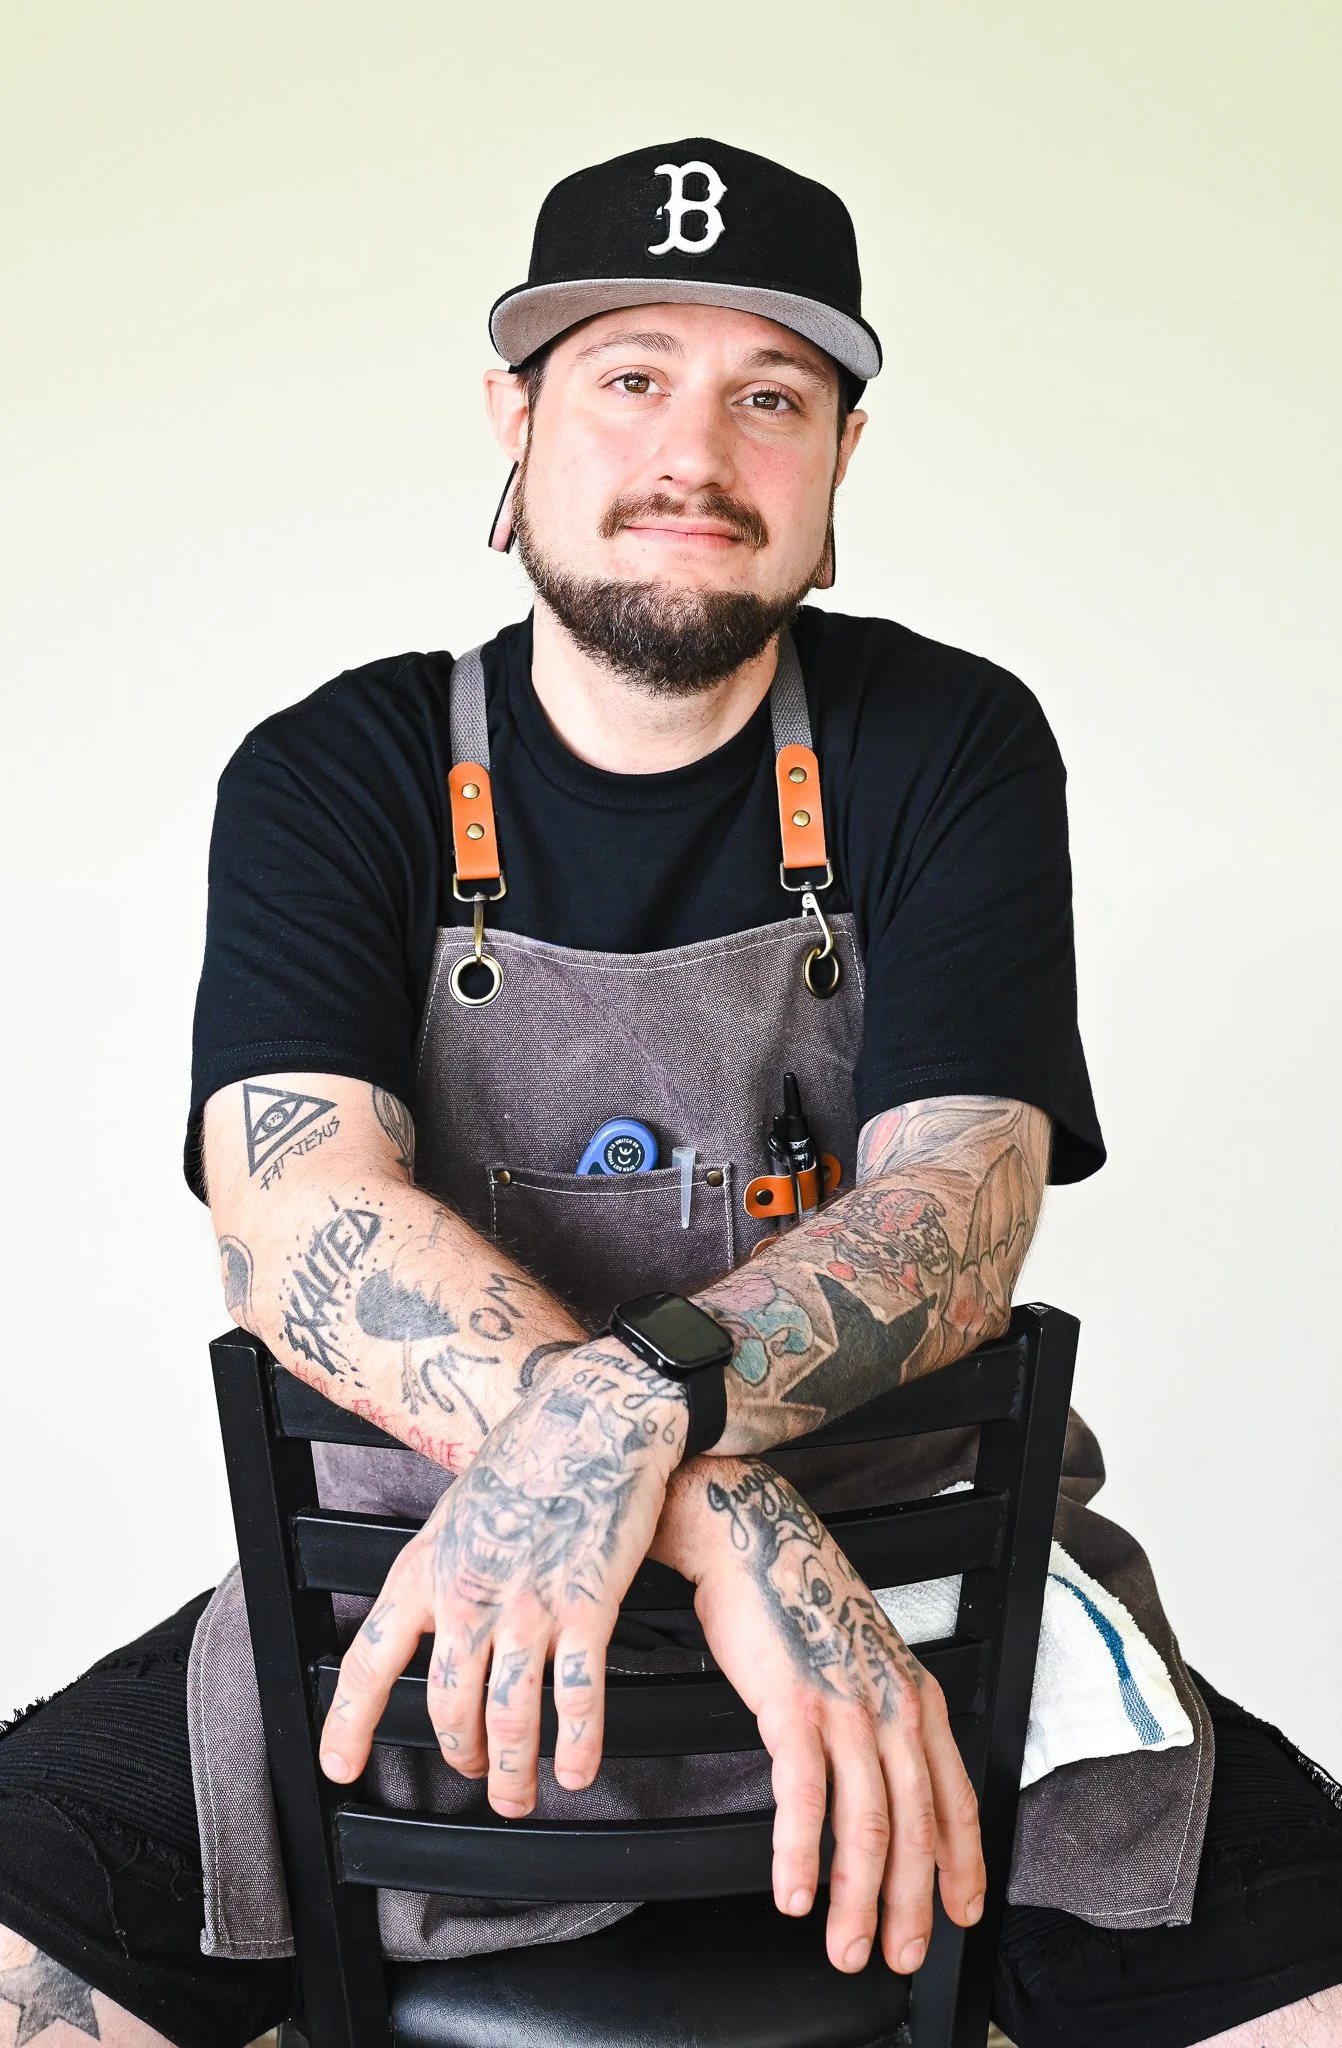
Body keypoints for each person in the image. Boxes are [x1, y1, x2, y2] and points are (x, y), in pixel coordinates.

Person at [1, 138, 1339, 2048]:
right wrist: (717, 1507)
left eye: (769, 397)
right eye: (630, 376)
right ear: (516, 422)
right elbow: (296, 1214)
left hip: (925, 1604)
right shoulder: (335, 771)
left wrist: (638, 1411)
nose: (693, 451)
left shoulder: (945, 742)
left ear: (840, 461)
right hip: (402, 1603)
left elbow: (955, 1220)